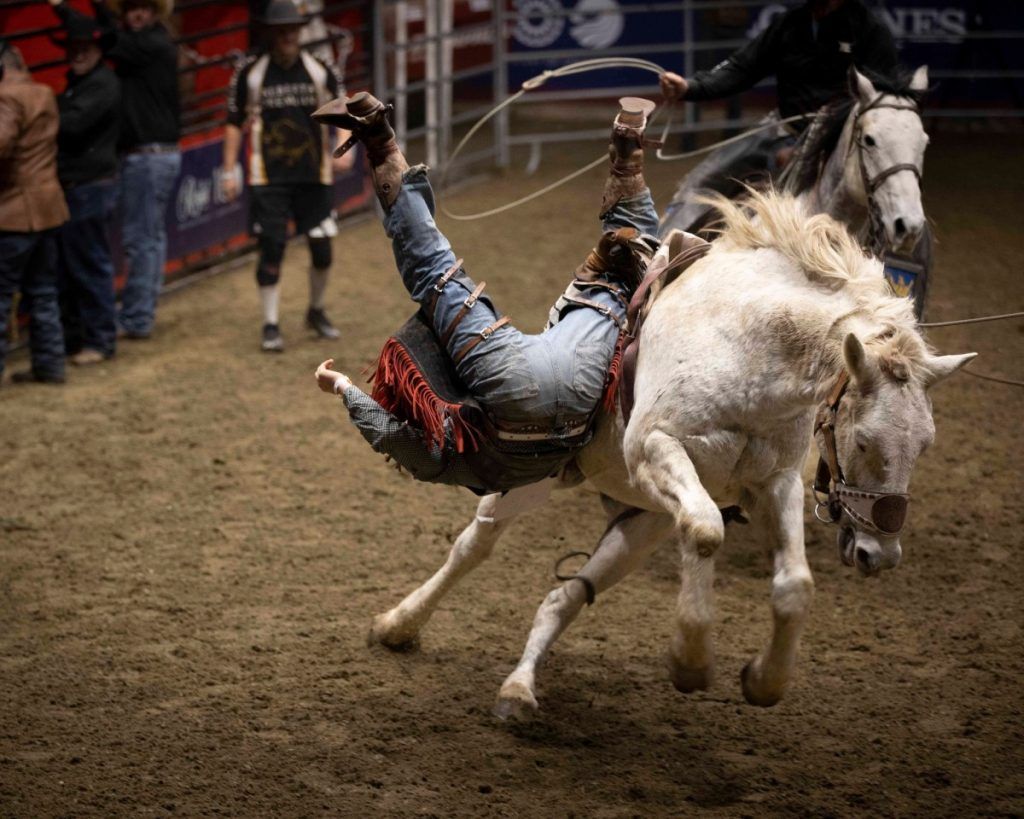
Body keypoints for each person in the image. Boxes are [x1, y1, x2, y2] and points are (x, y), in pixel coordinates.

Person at [311, 92, 661, 494]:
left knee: (622, 278)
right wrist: (341, 387)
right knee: (433, 272)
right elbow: (387, 434)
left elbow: (393, 437)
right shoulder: (435, 464)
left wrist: (343, 386)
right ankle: (378, 135)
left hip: (576, 392)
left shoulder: (459, 468)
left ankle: (628, 154)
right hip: (514, 380)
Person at [658, 0, 897, 233]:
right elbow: (742, 67)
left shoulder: (870, 31)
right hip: (783, 127)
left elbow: (882, 102)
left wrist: (817, 145)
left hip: (841, 142)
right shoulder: (790, 24)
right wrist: (689, 87)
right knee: (703, 182)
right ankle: (661, 251)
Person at [223, 0, 350, 353]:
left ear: (300, 31)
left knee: (322, 249)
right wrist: (229, 169)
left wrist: (344, 145)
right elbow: (234, 123)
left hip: (315, 175)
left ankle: (316, 310)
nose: (286, 37)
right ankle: (270, 323)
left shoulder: (320, 69)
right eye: (280, 31)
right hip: (268, 178)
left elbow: (343, 110)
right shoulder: (250, 73)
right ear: (269, 32)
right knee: (271, 249)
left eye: (292, 30)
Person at [85, 0, 181, 340]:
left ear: (154, 12)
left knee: (141, 239)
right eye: (131, 8)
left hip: (147, 155)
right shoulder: (156, 43)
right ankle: (141, 312)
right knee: (151, 238)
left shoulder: (147, 44)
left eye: (142, 7)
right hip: (157, 154)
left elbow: (110, 39)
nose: (136, 14)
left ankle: (137, 317)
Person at [49, 4, 121, 366]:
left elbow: (71, 127)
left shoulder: (101, 84)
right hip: (82, 184)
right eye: (74, 46)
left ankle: (100, 339)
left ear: (96, 50)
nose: (78, 52)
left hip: (89, 185)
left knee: (90, 265)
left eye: (85, 47)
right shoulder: (84, 83)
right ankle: (87, 337)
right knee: (80, 265)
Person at [0, 40, 70, 385]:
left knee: (1, 294)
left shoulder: (6, 97)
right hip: (49, 206)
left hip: (15, 211)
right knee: (43, 291)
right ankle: (51, 364)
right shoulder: (44, 93)